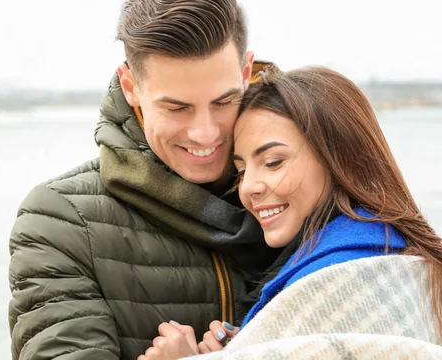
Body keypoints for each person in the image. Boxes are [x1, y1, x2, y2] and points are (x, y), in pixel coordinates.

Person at [8, 0, 283, 360]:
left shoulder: (302, 192)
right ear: (131, 85)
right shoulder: (60, 222)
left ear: (245, 71)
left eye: (224, 102)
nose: (205, 134)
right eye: (176, 108)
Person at [138, 65, 442, 360]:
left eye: (273, 162)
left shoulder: (337, 278)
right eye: (241, 170)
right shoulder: (398, 251)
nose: (249, 188)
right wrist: (254, 344)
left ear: (342, 160)